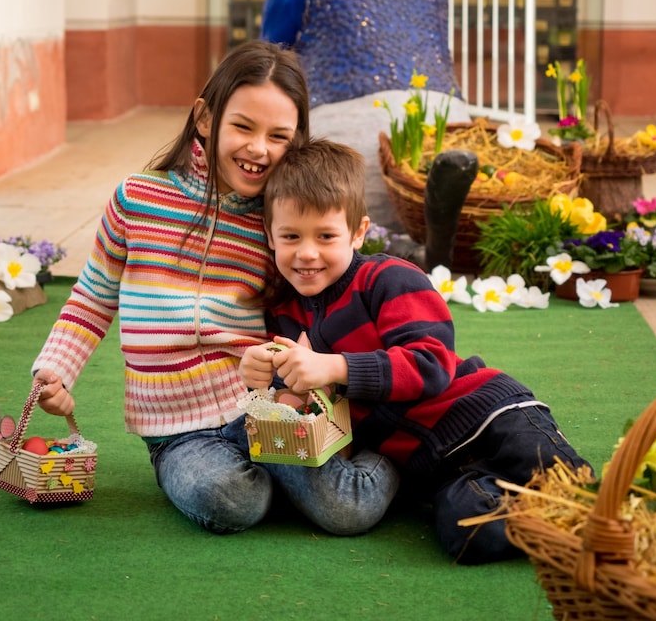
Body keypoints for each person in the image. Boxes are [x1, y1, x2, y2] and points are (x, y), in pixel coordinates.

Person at [32, 41, 399, 536]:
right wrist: (55, 370)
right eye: (243, 126)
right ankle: (269, 480)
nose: (259, 149)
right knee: (230, 500)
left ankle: (396, 460)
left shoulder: (281, 225)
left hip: (265, 410)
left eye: (279, 136)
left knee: (347, 511)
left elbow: (317, 303)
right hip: (177, 435)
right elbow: (92, 300)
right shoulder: (137, 199)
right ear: (205, 119)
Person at [239, 138, 593, 564]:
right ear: (270, 237)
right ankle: (555, 528)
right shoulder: (286, 315)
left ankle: (597, 523)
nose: (307, 252)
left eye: (326, 235)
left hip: (487, 416)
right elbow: (310, 401)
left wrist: (332, 366)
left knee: (565, 484)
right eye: (291, 236)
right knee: (465, 532)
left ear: (358, 232)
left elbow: (431, 365)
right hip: (437, 471)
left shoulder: (387, 279)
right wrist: (269, 379)